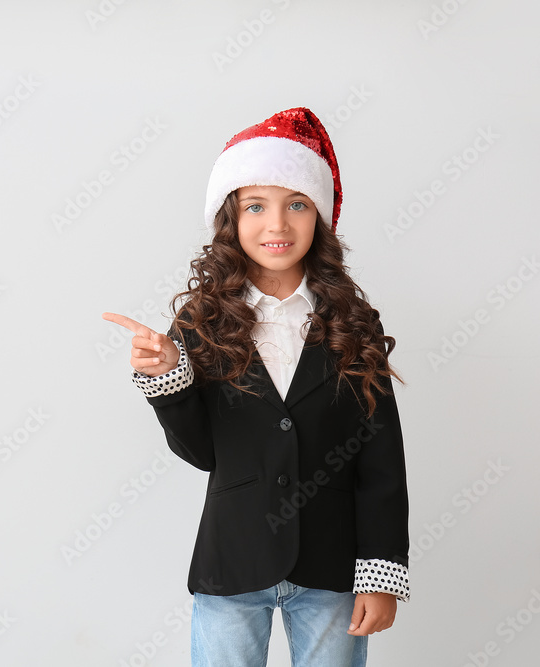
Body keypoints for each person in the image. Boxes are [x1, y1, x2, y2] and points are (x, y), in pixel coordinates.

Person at [102, 107, 409, 667]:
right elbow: (202, 453)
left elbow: (382, 461)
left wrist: (382, 573)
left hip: (334, 567)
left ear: (318, 216)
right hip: (233, 561)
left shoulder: (354, 322)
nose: (277, 225)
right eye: (256, 206)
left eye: (296, 204)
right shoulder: (201, 322)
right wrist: (168, 378)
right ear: (231, 218)